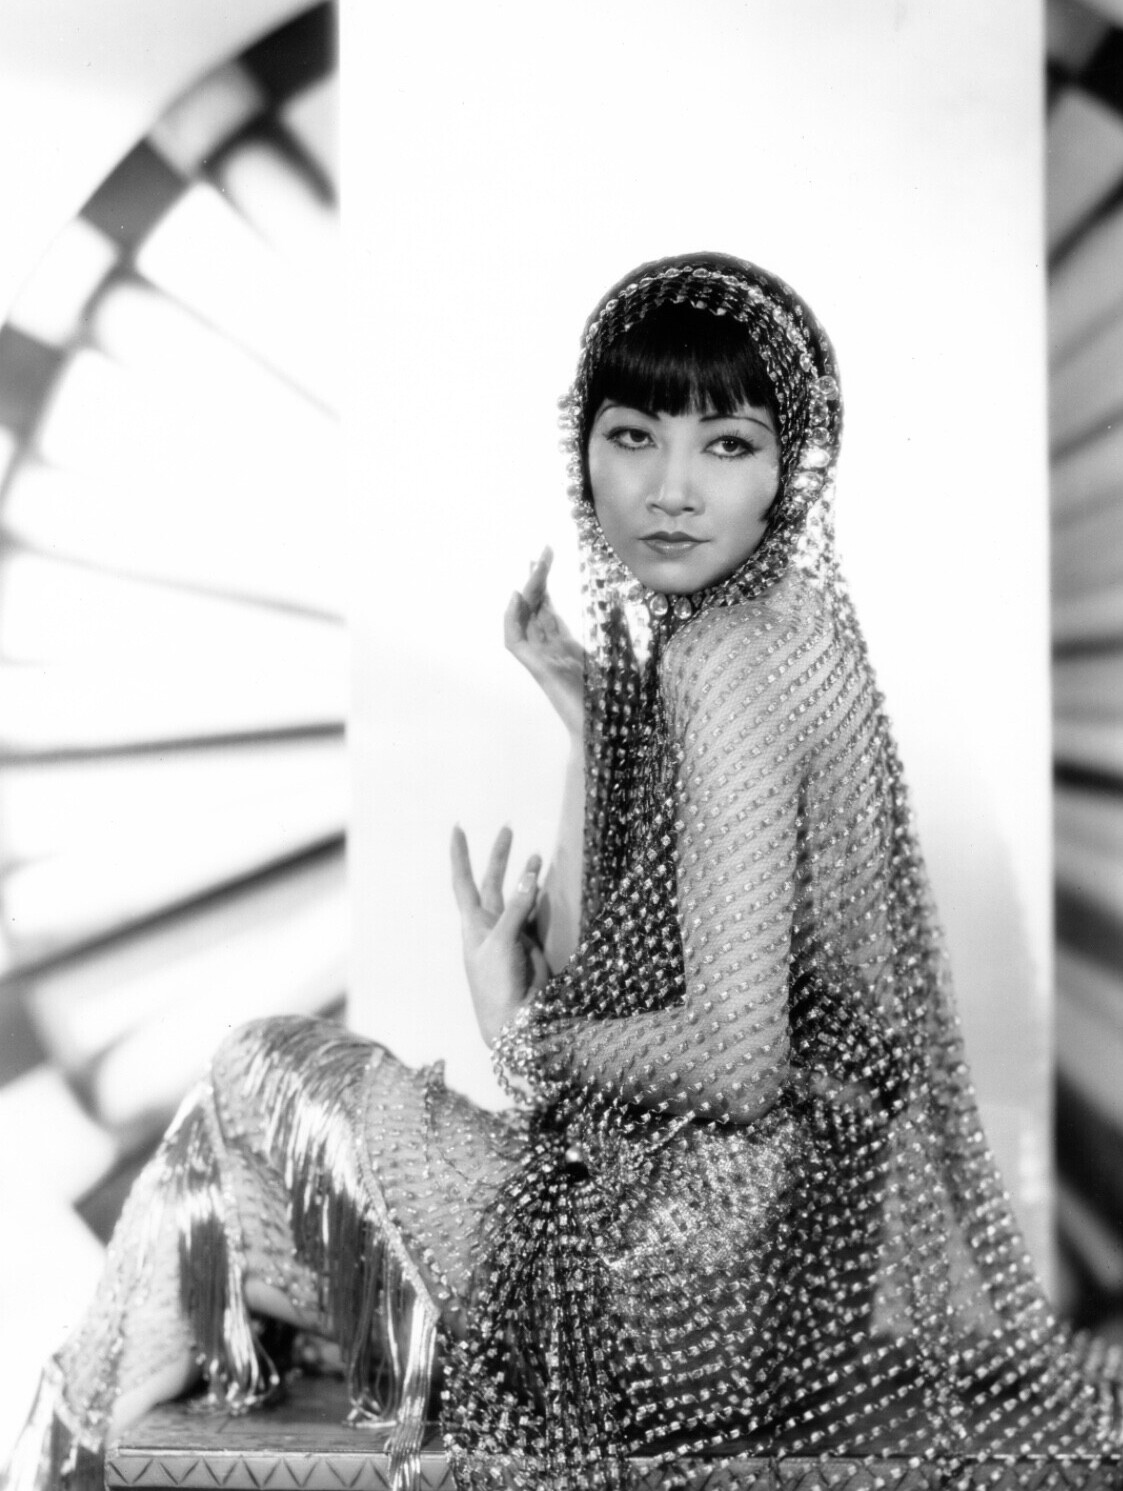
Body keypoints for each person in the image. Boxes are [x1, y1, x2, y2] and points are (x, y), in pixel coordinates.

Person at [6, 252, 1123, 1491]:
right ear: (582, 449)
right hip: (777, 1305)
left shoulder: (722, 664)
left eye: (728, 444)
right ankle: (96, 1447)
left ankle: (66, 1458)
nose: (671, 488)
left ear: (789, 468)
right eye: (634, 434)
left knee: (255, 1065)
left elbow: (735, 1060)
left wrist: (525, 1034)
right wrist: (591, 715)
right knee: (212, 1190)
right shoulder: (788, 624)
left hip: (669, 1304)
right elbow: (624, 979)